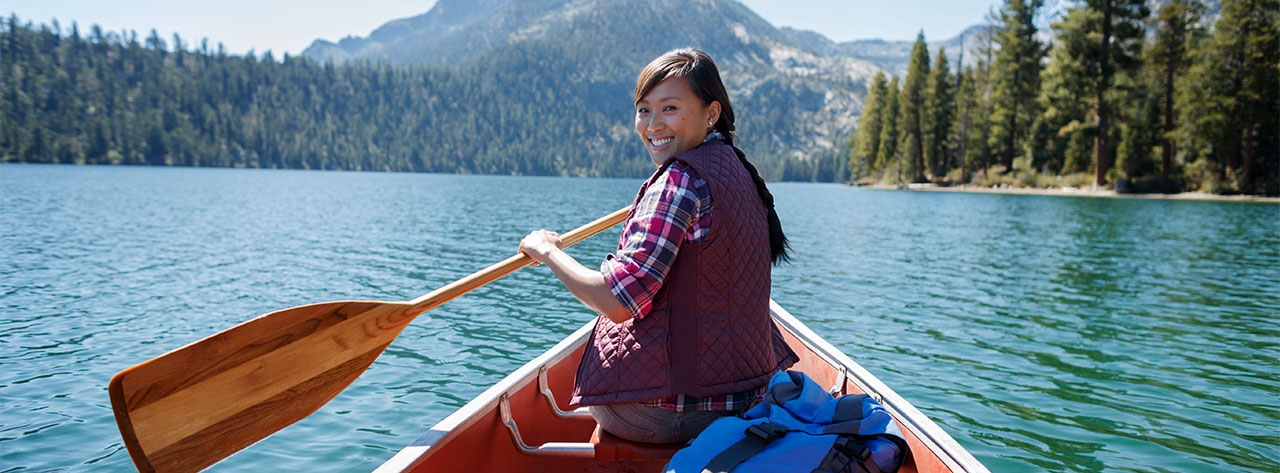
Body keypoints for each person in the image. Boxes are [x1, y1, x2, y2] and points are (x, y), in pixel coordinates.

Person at [518, 48, 798, 444]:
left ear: (711, 113)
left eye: (669, 108)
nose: (652, 125)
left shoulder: (679, 181)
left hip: (677, 411)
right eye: (643, 110)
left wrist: (548, 252)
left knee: (599, 349)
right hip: (748, 393)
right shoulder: (738, 169)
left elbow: (617, 302)